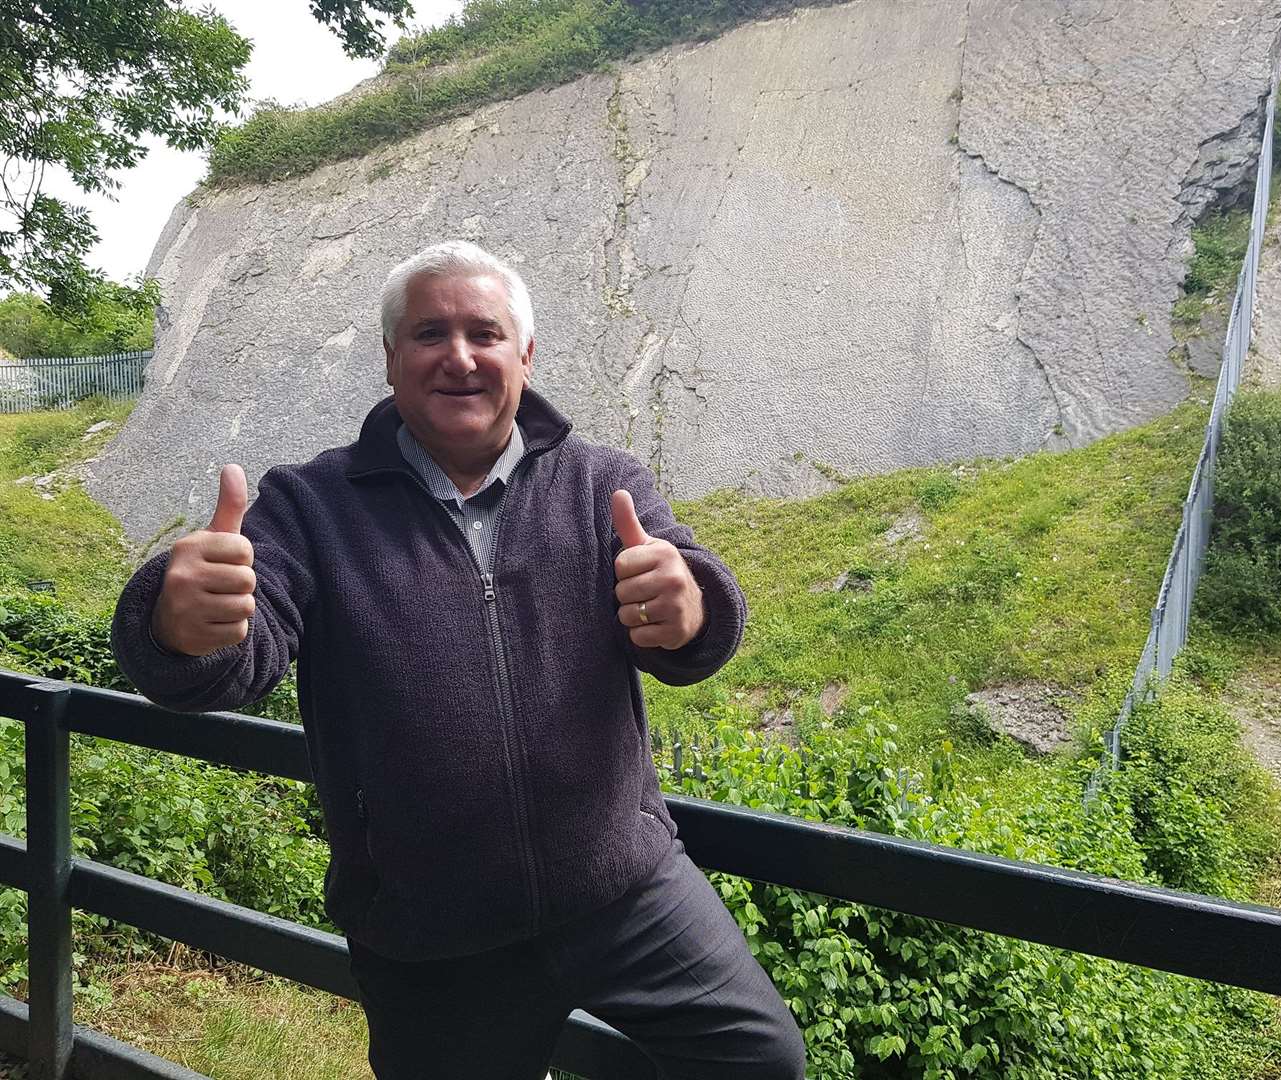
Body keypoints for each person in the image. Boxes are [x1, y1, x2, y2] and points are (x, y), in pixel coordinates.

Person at [110, 241, 807, 1080]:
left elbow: (689, 616)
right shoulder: (308, 506)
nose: (461, 356)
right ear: (392, 359)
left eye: (485, 332)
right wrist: (179, 624)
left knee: (760, 1059)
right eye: (430, 333)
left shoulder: (603, 484)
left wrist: (690, 604)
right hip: (427, 929)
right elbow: (229, 665)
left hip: (623, 887)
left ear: (526, 354)